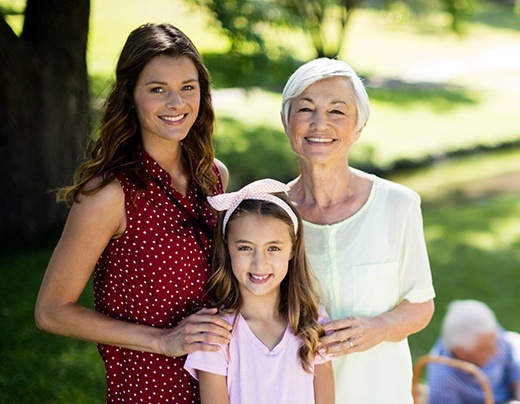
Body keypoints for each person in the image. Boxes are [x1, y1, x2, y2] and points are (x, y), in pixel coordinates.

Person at [34, 23, 233, 402]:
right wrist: (163, 340)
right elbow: (51, 311)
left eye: (187, 87)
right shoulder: (109, 195)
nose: (177, 103)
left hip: (222, 386)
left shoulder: (214, 176)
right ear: (131, 96)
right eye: (158, 89)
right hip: (148, 389)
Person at [280, 57, 436, 403]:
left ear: (358, 128)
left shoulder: (399, 205)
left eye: (337, 112)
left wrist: (378, 329)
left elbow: (421, 305)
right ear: (286, 121)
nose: (320, 124)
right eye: (305, 109)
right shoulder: (272, 213)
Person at [184, 179, 335, 404]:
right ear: (227, 248)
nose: (259, 263)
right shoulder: (215, 334)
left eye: (273, 248)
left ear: (292, 248)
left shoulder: (313, 324)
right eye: (245, 248)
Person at [427, 300, 520, 404]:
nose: (495, 352)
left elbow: (513, 360)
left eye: (494, 343)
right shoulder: (443, 381)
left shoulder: (489, 337)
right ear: (460, 353)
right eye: (484, 351)